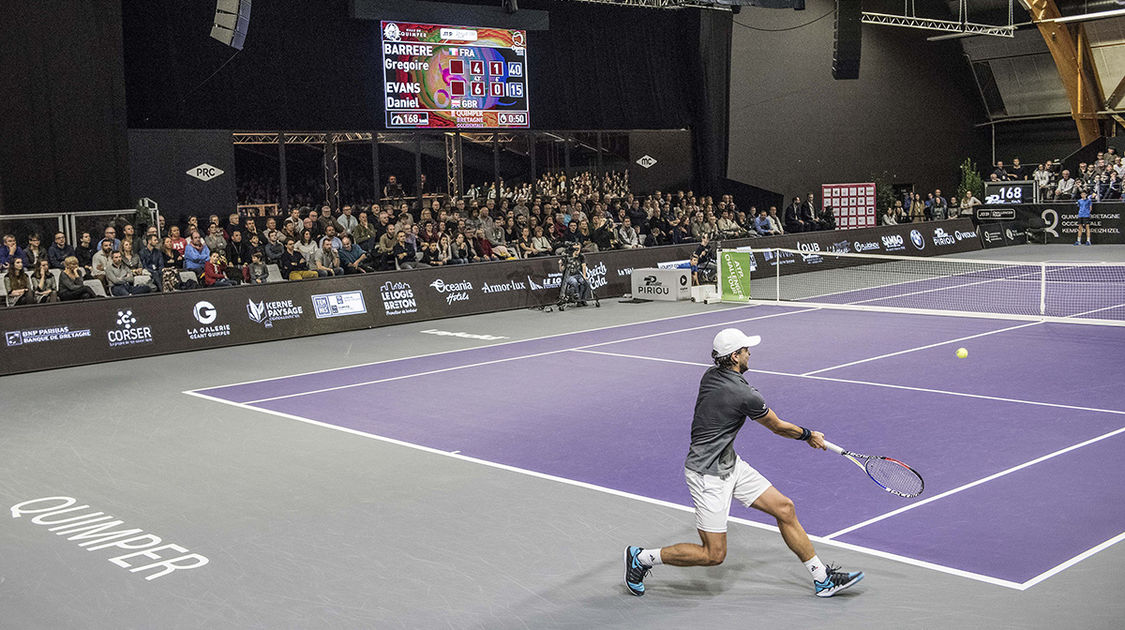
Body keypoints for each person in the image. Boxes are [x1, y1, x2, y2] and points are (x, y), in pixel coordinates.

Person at [624, 329, 863, 598]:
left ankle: (822, 579)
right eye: (746, 349)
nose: (750, 352)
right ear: (735, 356)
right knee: (713, 555)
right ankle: (641, 558)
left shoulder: (711, 375)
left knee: (784, 508)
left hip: (729, 464)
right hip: (707, 476)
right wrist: (809, 435)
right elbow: (777, 427)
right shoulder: (744, 394)